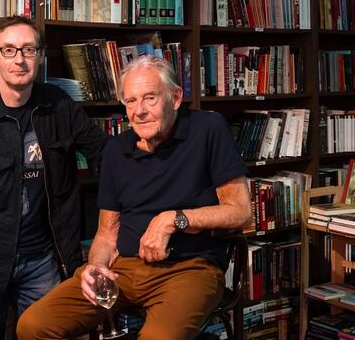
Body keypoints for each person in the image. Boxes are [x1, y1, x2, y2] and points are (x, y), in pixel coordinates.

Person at [17, 55, 252, 340]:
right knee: (33, 325)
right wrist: (98, 266)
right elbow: (106, 234)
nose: (139, 111)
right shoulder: (117, 150)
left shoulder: (208, 129)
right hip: (125, 270)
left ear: (175, 97)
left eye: (150, 98)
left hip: (189, 269)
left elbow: (240, 211)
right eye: (130, 101)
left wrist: (173, 220)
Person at [0, 16, 108, 340]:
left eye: (28, 49)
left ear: (41, 55)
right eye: (9, 49)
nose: (19, 59)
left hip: (44, 260)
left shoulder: (60, 107)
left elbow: (106, 157)